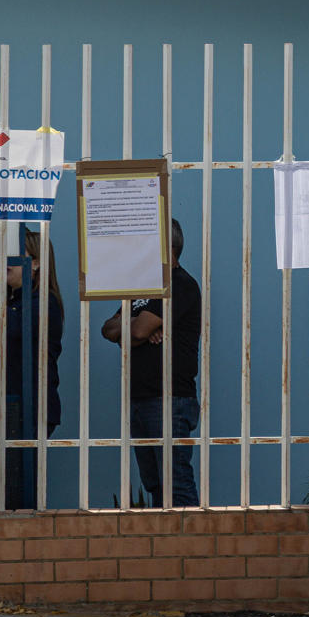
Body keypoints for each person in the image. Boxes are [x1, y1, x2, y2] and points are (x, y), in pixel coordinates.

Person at [102, 217, 203, 507]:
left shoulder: (179, 285)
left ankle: (190, 544)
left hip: (169, 398)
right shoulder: (141, 290)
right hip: (141, 398)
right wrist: (136, 329)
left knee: (176, 483)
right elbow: (107, 329)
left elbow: (132, 331)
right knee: (155, 484)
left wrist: (132, 329)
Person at [0, 225, 65, 510]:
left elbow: (13, 328)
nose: (4, 261)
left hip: (25, 407)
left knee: (18, 495)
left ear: (34, 263)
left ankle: (25, 549)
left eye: (14, 256)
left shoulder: (43, 301)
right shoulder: (3, 298)